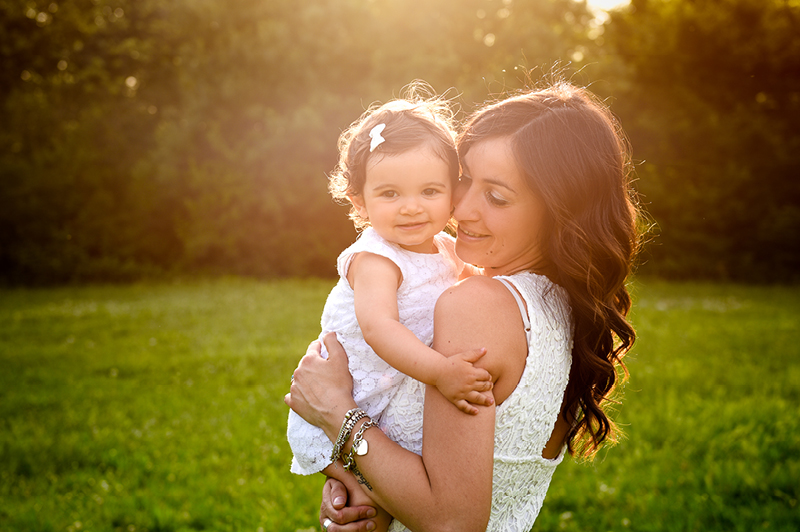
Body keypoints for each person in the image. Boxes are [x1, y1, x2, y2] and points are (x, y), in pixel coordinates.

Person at [286, 80, 640, 532]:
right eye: (465, 179)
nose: (463, 207)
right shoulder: (561, 308)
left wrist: (336, 412)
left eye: (496, 196)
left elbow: (452, 523)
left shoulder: (477, 305)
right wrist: (362, 487)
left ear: (559, 210)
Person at [286, 91, 495, 531]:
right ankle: (351, 492)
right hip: (356, 392)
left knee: (383, 506)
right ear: (359, 201)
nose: (412, 206)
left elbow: (480, 274)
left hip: (388, 399)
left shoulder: (444, 247)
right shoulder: (376, 258)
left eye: (430, 191)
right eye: (390, 193)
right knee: (367, 507)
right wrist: (440, 372)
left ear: (452, 192)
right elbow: (379, 328)